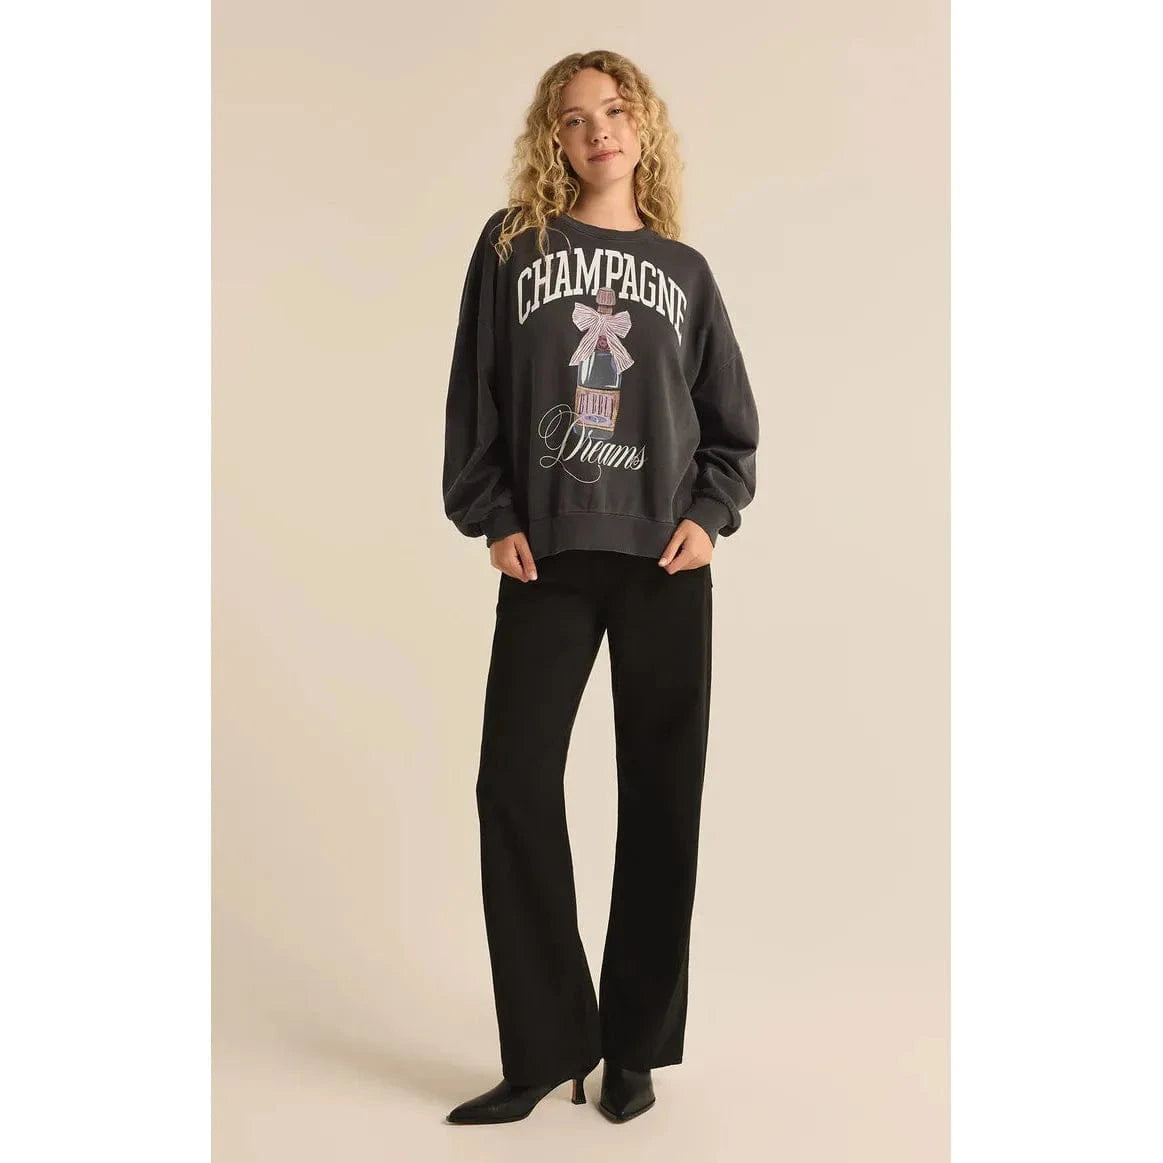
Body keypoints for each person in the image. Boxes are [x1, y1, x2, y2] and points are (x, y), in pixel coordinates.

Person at [441, 50, 760, 1126]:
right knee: (512, 782)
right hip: (548, 556)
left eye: (614, 111)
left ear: (643, 125)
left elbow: (730, 425)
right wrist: (492, 511)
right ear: (554, 139)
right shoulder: (512, 247)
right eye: (574, 118)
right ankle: (545, 1045)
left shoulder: (685, 272)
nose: (597, 131)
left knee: (662, 796)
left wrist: (709, 513)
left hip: (665, 562)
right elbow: (475, 392)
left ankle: (631, 1046)